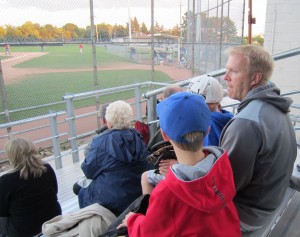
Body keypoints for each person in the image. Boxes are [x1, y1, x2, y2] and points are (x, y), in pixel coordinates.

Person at [117, 92, 241, 236]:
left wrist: (132, 220)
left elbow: (148, 233)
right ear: (207, 130)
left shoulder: (167, 191)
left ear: (165, 135)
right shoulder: (223, 167)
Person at [220, 45, 297, 232]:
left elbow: (223, 188)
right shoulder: (276, 109)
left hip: (248, 215)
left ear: (255, 78)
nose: (225, 77)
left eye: (233, 71)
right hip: (267, 204)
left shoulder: (247, 123)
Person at [78, 100, 152, 216]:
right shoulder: (138, 136)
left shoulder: (100, 141)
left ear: (108, 121)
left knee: (82, 192)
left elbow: (88, 171)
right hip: (137, 196)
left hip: (112, 203)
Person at [0, 137, 61, 237]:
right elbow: (55, 192)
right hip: (53, 220)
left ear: (12, 156)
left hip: (24, 231)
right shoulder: (47, 169)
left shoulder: (6, 181)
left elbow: (2, 213)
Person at [142, 85, 184, 194]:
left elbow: (151, 152)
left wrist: (178, 165)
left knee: (145, 176)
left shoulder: (170, 124)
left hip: (178, 174)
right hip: (182, 169)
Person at [73, 103, 109, 195]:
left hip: (109, 186)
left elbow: (89, 172)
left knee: (77, 188)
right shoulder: (135, 135)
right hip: (129, 183)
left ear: (104, 120)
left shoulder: (96, 142)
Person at [187, 74, 234, 146]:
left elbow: (208, 155)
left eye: (194, 103)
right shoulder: (226, 116)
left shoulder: (210, 126)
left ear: (211, 103)